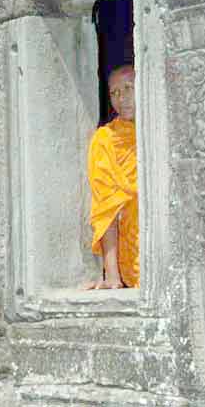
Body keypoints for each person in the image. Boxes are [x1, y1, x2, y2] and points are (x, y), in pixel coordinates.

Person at [84, 65, 139, 289]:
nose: (121, 98)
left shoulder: (166, 127)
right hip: (134, 257)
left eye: (128, 88)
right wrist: (112, 276)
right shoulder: (105, 140)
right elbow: (107, 211)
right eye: (114, 92)